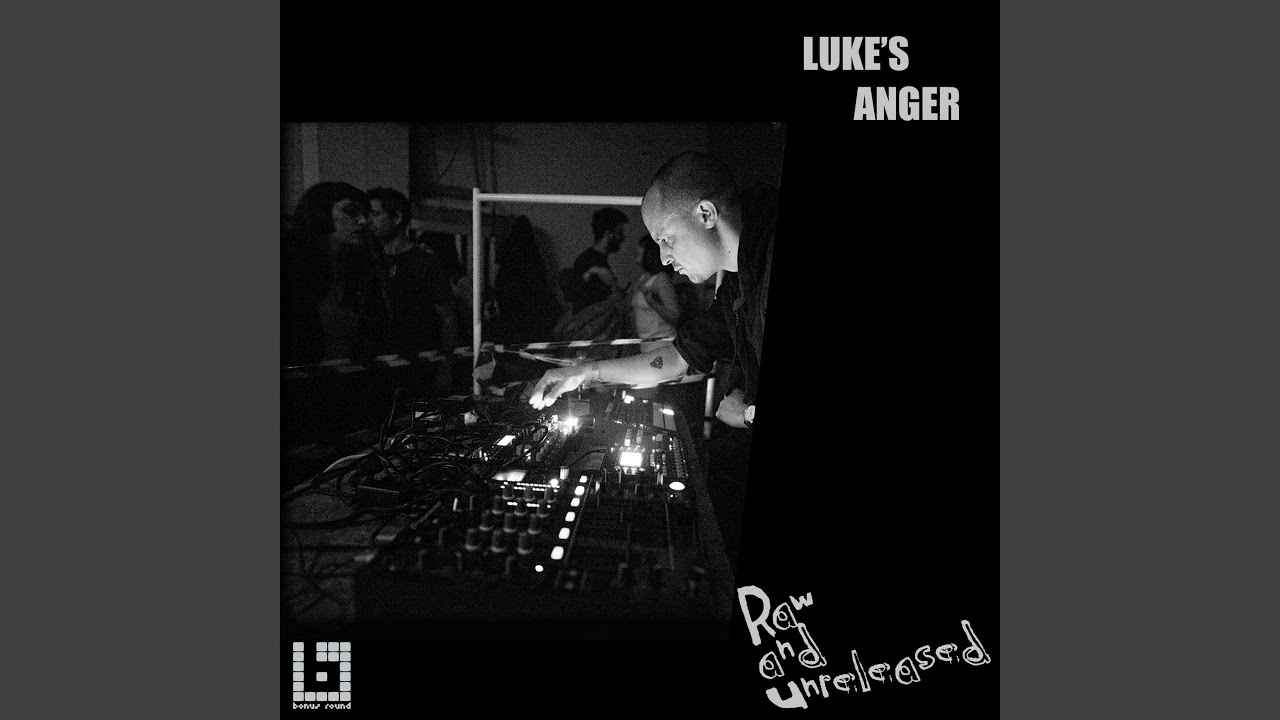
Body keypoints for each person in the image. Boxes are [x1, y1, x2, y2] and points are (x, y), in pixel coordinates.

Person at [528, 152, 778, 570]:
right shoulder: (738, 282)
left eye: (666, 238)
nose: (662, 257)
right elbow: (679, 356)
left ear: (705, 214)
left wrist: (749, 413)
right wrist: (585, 372)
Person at [361, 187, 458, 391]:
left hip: (418, 364)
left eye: (376, 214)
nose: (369, 221)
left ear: (397, 217)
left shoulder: (425, 262)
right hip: (375, 364)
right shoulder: (368, 260)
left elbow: (448, 317)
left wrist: (445, 369)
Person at [283, 181, 372, 363]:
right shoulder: (291, 261)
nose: (363, 221)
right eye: (350, 211)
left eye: (364, 214)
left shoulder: (355, 263)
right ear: (321, 211)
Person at [567, 207, 629, 313]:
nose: (623, 238)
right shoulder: (588, 261)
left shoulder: (591, 259)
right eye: (619, 233)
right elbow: (588, 301)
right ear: (607, 234)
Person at [629, 233, 681, 352]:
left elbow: (675, 316)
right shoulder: (643, 277)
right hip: (646, 345)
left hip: (662, 344)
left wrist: (652, 302)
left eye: (641, 249)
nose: (637, 251)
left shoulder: (661, 278)